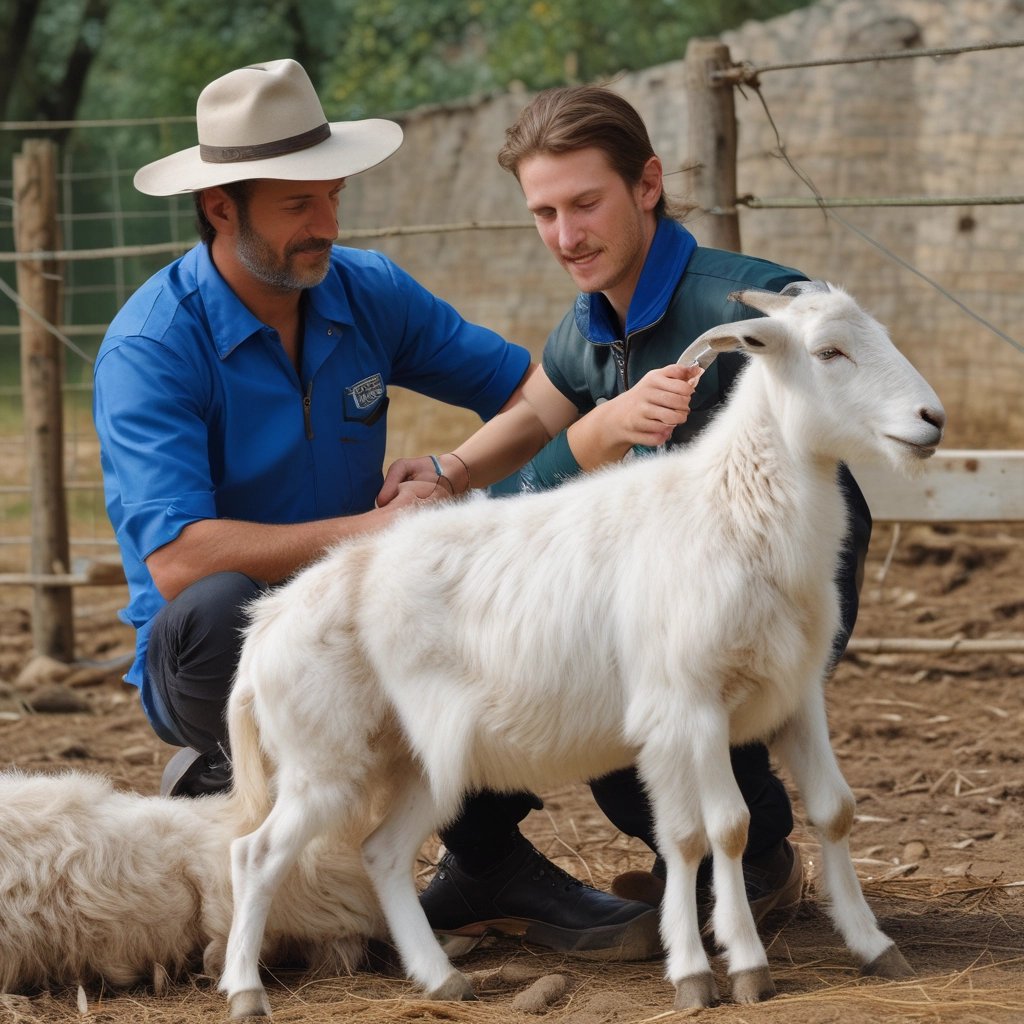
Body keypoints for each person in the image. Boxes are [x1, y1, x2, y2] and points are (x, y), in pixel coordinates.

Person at [93, 60, 660, 962]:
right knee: (210, 613)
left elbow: (531, 386)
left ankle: (482, 862)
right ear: (221, 210)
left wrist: (457, 472)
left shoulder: (366, 289)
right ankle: (229, 767)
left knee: (518, 604)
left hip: (375, 612)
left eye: (332, 196)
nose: (326, 224)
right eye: (296, 206)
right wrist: (382, 533)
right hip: (219, 647)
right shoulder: (152, 346)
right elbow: (180, 561)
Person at [384, 84, 873, 930]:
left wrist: (589, 443)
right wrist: (449, 468)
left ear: (647, 184)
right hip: (676, 598)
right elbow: (540, 409)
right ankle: (675, 860)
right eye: (544, 213)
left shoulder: (752, 305)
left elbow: (847, 394)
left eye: (585, 204)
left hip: (774, 600)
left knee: (617, 694)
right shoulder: (593, 316)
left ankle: (753, 864)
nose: (566, 237)